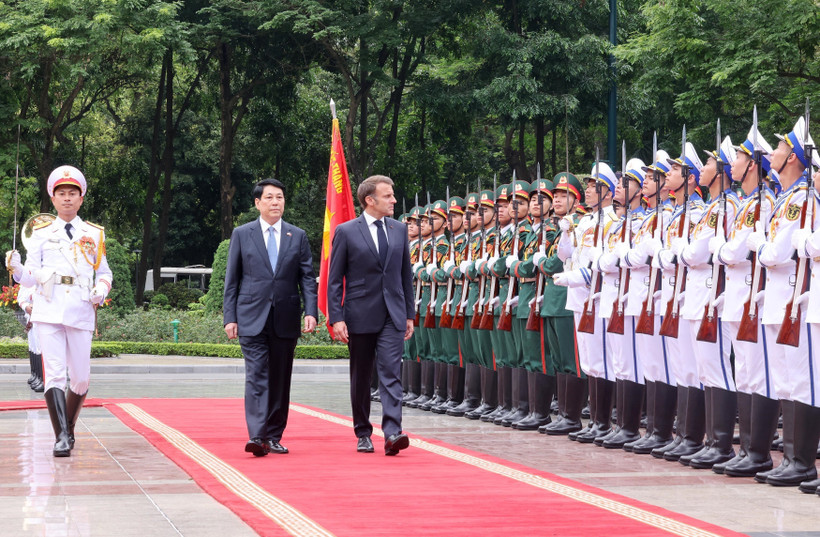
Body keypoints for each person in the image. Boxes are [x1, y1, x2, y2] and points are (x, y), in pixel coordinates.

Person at [6, 165, 113, 457]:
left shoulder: (93, 233)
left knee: (80, 378)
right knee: (53, 374)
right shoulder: (40, 234)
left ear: (81, 199)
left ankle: (68, 426)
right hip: (48, 307)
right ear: (52, 199)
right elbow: (30, 277)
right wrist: (17, 269)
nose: (67, 199)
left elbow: (104, 272)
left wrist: (100, 290)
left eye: (72, 193)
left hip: (80, 307)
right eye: (61, 193)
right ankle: (61, 436)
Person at [223, 178, 317, 457]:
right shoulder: (242, 233)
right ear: (257, 203)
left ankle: (274, 435)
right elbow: (232, 279)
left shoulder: (296, 235)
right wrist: (230, 317)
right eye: (270, 198)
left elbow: (307, 278)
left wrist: (310, 310)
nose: (276, 202)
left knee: (280, 378)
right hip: (251, 316)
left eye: (280, 197)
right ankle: (257, 435)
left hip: (286, 317)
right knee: (256, 376)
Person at [327, 175, 415, 456]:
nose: (393, 200)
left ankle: (392, 433)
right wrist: (336, 317)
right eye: (388, 196)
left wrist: (409, 315)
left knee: (391, 372)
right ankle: (363, 431)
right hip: (359, 314)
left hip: (393, 314)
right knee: (361, 376)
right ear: (370, 200)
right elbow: (334, 279)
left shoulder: (399, 229)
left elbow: (405, 276)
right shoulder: (346, 231)